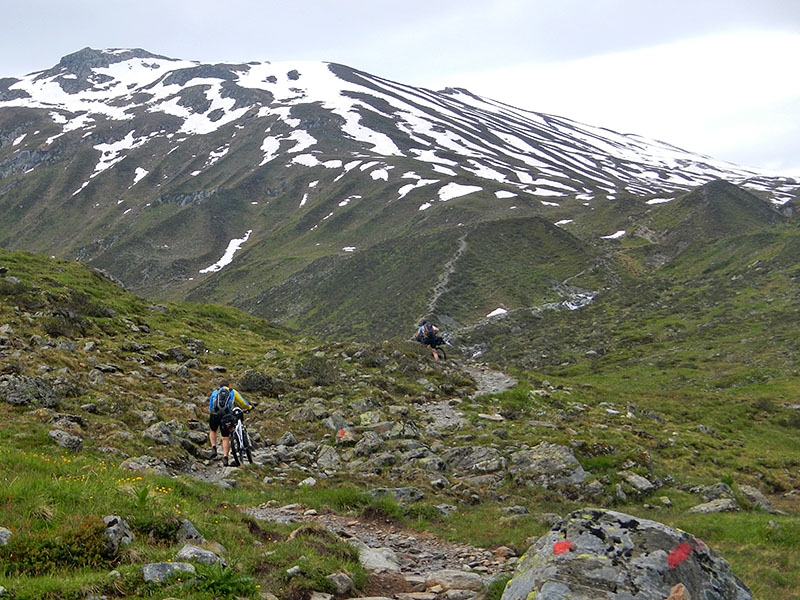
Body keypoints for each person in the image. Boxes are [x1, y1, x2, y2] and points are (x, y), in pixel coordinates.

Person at [208, 379, 253, 466]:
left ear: (220, 386)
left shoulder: (215, 392)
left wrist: (213, 412)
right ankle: (225, 457)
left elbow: (211, 406)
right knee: (225, 437)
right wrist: (250, 407)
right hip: (226, 416)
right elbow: (243, 403)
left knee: (213, 430)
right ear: (228, 386)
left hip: (214, 414)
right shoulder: (233, 392)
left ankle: (213, 447)